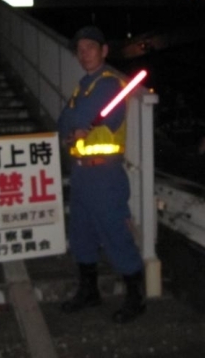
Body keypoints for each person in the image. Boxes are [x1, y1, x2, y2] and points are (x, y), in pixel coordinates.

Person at [57, 25, 146, 323]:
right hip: (82, 174)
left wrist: (75, 122)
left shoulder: (108, 85)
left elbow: (78, 118)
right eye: (79, 50)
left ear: (104, 51)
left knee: (114, 233)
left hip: (105, 175)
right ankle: (89, 291)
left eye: (90, 48)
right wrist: (73, 123)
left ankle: (136, 298)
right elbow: (64, 123)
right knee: (81, 234)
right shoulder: (83, 86)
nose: (84, 54)